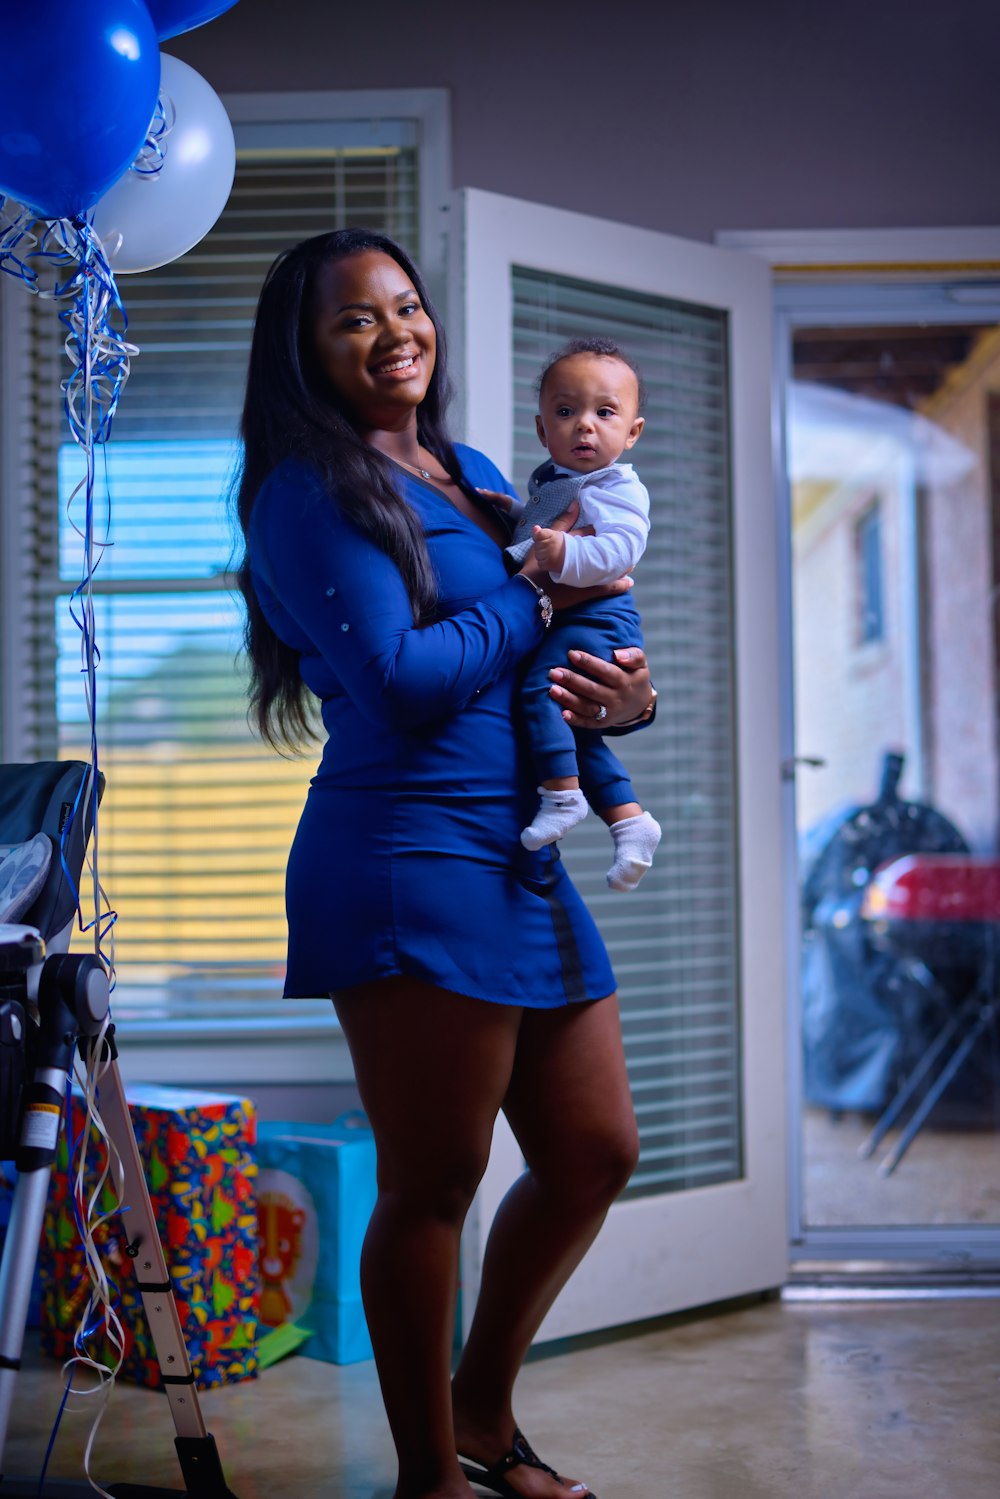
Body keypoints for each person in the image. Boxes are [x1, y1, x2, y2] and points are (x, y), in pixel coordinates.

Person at [233, 227, 656, 1499]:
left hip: (516, 838)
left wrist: (620, 705)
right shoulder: (304, 492)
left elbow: (561, 648)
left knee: (593, 1149)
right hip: (408, 845)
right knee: (436, 1180)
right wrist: (537, 604)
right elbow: (405, 683)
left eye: (405, 305)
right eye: (353, 318)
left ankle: (481, 1405)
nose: (394, 331)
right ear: (304, 354)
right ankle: (432, 1475)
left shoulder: (475, 472)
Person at [500, 338, 662, 890]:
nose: (585, 426)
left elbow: (620, 552)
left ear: (632, 433)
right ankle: (630, 821)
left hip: (601, 616)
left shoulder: (619, 486)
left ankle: (563, 798)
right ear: (544, 430)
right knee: (572, 726)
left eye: (605, 412)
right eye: (566, 412)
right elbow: (553, 522)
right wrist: (515, 516)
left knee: (539, 694)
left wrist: (564, 555)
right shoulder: (554, 479)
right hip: (576, 615)